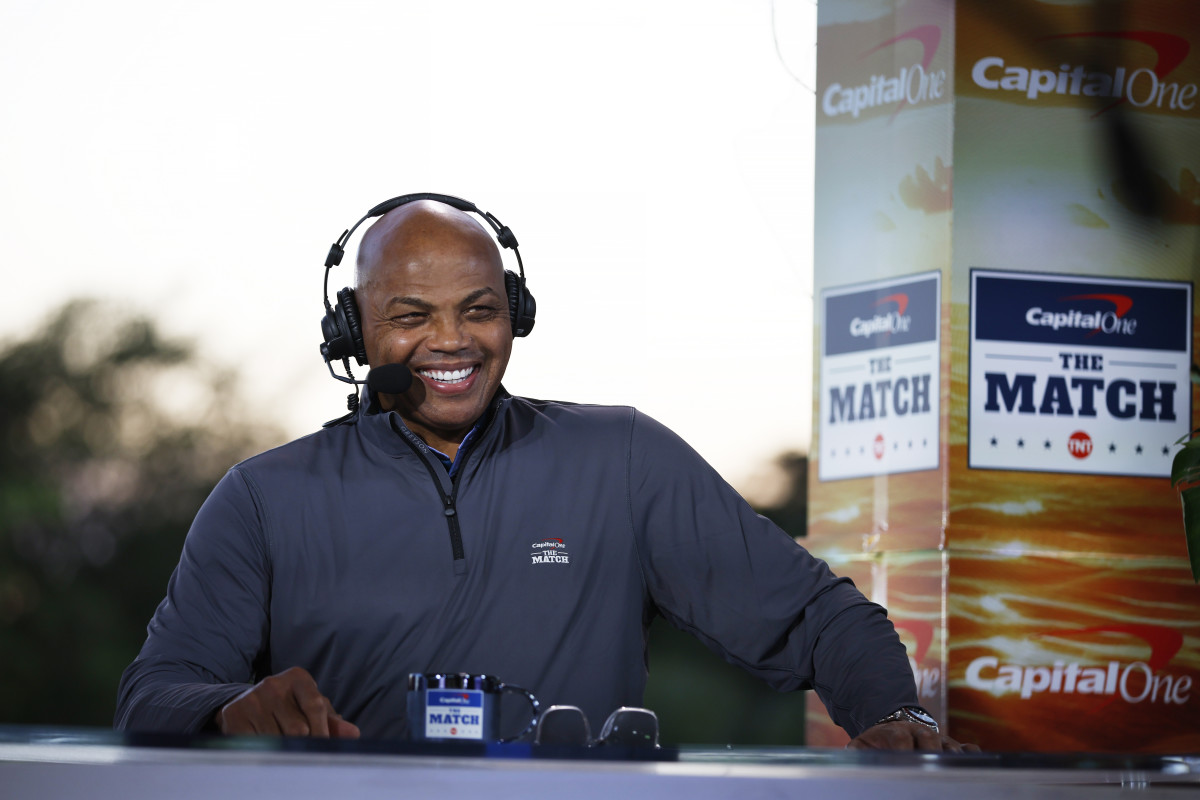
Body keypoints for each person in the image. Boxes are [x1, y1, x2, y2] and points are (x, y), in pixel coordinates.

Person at [115, 196, 975, 751]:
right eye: (411, 316)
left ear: (515, 315)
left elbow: (821, 618)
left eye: (479, 310)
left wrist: (896, 716)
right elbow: (152, 695)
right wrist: (228, 710)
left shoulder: (624, 459)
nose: (451, 341)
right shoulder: (262, 498)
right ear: (354, 332)